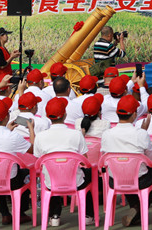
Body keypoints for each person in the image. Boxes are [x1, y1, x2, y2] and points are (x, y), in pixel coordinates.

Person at [34, 97, 95, 227]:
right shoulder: (76, 134)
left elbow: (39, 159)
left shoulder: (39, 136)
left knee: (52, 175)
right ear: (65, 114)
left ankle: (54, 215)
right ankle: (88, 215)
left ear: (48, 116)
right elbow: (85, 161)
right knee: (89, 174)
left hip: (52, 182)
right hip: (76, 182)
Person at [100, 95, 152, 227]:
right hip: (139, 180)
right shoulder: (141, 133)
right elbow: (150, 158)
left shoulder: (107, 134)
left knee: (126, 174)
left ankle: (135, 207)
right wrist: (143, 132)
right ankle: (136, 209)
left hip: (116, 179)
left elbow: (105, 157)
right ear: (135, 114)